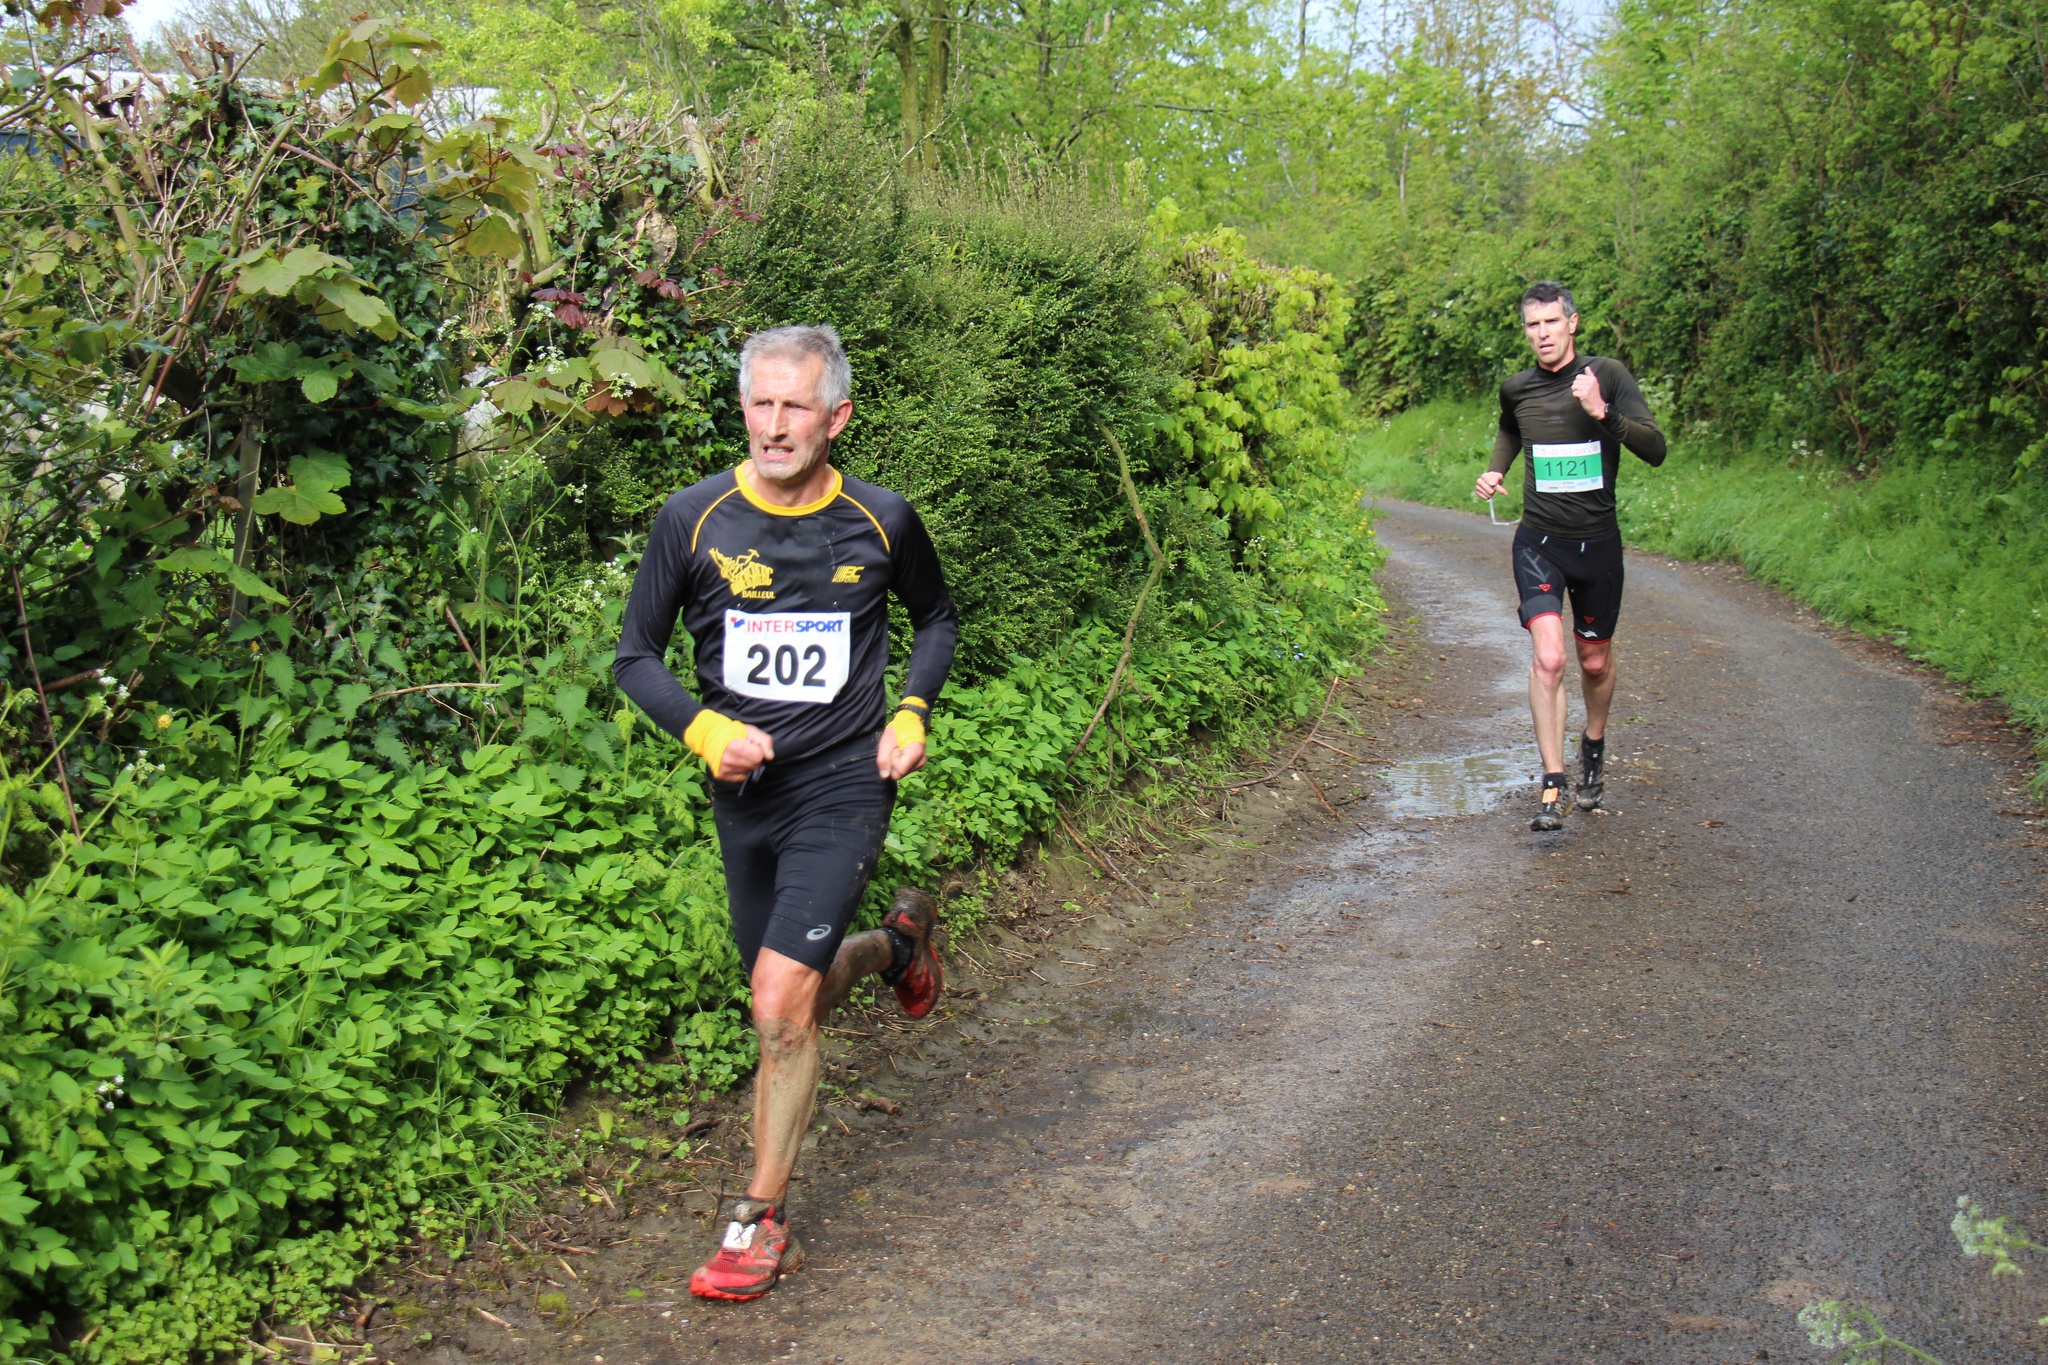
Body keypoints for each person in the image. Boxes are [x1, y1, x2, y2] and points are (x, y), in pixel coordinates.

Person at [613, 323, 959, 1301]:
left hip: (846, 780)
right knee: (789, 999)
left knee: (776, 1003)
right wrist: (702, 730)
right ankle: (896, 946)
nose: (774, 425)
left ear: (835, 417)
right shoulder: (693, 519)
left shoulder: (881, 520)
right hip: (745, 794)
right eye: (759, 403)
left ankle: (757, 1222)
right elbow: (634, 656)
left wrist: (910, 710)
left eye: (794, 406)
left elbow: (935, 618)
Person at [1475, 282, 1665, 831]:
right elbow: (1510, 428)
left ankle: (1594, 744)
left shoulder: (1607, 376)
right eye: (1532, 325)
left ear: (1572, 323)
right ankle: (1553, 783)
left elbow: (1656, 450)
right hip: (1539, 542)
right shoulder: (1516, 388)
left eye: (1551, 323)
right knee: (1550, 658)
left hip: (1598, 544)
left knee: (1594, 661)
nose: (1542, 334)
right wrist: (1496, 469)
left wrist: (1602, 412)